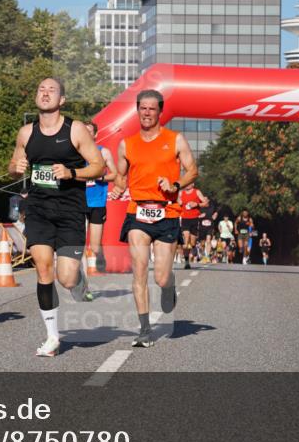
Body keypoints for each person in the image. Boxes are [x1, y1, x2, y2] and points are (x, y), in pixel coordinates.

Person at [8, 78, 105, 357]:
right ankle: (52, 337)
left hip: (70, 211)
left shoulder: (74, 130)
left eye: (52, 90)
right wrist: (17, 167)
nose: (45, 93)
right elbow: (13, 166)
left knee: (67, 278)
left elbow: (99, 166)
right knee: (42, 268)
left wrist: (72, 173)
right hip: (38, 209)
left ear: (62, 99)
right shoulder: (26, 133)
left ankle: (79, 279)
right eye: (41, 89)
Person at [111, 89, 197, 348]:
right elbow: (120, 175)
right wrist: (117, 185)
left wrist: (175, 184)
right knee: (138, 271)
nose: (146, 113)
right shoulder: (127, 144)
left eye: (151, 108)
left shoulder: (175, 140)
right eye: (142, 108)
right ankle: (145, 329)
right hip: (137, 212)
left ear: (160, 112)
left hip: (167, 212)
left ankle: (168, 287)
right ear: (137, 111)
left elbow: (192, 170)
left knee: (160, 276)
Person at [84, 122, 117, 275]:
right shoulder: (73, 153)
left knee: (95, 246)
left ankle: (100, 255)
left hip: (97, 202)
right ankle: (81, 273)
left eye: (89, 131)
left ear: (95, 135)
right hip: (77, 201)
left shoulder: (103, 152)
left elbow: (114, 174)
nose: (85, 133)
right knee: (78, 242)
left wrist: (100, 176)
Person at [178, 183, 208, 269]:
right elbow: (177, 202)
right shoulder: (181, 193)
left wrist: (197, 204)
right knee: (186, 239)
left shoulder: (197, 192)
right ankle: (187, 261)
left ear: (193, 184)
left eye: (189, 183)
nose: (187, 185)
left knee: (192, 243)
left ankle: (194, 250)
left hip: (194, 219)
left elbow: (205, 203)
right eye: (186, 183)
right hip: (184, 218)